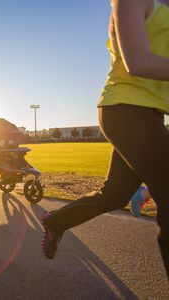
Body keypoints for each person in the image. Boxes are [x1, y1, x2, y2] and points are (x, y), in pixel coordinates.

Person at [41, 0, 169, 278]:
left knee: (115, 194)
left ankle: (57, 221)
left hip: (152, 114)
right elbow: (138, 61)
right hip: (125, 109)